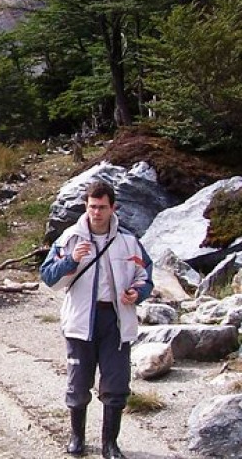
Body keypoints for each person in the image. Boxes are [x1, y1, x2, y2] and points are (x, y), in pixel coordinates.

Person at [40, 181, 153, 459]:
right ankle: (77, 438)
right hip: (80, 322)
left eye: (102, 207)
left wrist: (137, 293)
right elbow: (47, 276)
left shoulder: (128, 241)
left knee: (116, 386)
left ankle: (110, 446)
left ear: (113, 207)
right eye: (92, 207)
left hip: (115, 321)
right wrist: (70, 262)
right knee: (78, 384)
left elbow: (146, 275)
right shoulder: (70, 238)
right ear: (85, 207)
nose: (96, 213)